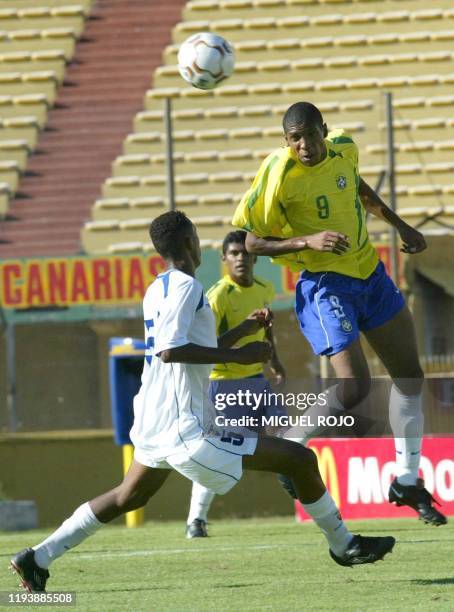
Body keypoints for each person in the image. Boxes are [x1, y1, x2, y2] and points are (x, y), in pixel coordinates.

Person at [10, 211, 396, 593]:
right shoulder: (186, 287)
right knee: (299, 459)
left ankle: (38, 558)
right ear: (190, 243)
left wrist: (242, 333)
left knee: (129, 495)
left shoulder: (157, 287)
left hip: (155, 416)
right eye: (197, 236)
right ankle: (344, 545)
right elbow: (169, 351)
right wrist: (242, 358)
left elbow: (179, 345)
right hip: (184, 426)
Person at [232, 101, 447, 526]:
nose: (305, 145)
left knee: (410, 376)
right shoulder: (279, 174)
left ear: (324, 131)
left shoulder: (344, 148)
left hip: (371, 275)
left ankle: (406, 479)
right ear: (286, 140)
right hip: (326, 286)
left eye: (311, 135)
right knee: (352, 386)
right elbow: (252, 242)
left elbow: (359, 190)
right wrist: (306, 242)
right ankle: (292, 440)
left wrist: (400, 224)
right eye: (295, 138)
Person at [186, 229, 286, 538]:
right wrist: (244, 330)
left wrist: (274, 360)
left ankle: (291, 477)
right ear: (224, 260)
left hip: (256, 377)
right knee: (221, 453)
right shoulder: (218, 296)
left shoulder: (264, 287)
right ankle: (196, 519)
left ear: (255, 256)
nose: (241, 258)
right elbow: (209, 345)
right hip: (225, 383)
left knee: (285, 429)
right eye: (234, 254)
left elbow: (265, 327)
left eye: (245, 253)